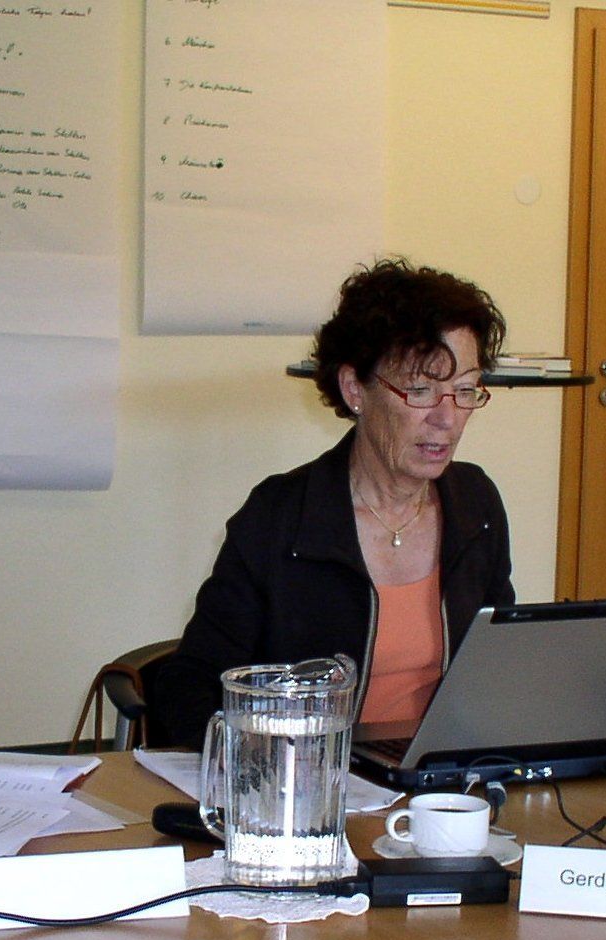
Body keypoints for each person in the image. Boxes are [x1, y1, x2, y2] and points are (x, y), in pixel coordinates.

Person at [154, 258, 515, 748]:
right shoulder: (282, 517)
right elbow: (193, 684)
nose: (447, 418)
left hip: (440, 779)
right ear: (354, 390)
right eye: (421, 390)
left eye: (464, 391)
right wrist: (269, 763)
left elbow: (497, 666)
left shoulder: (476, 505)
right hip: (308, 775)